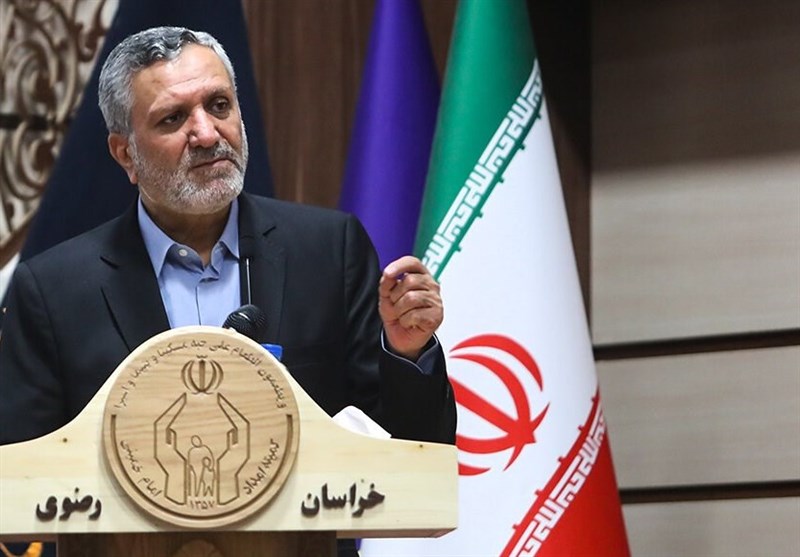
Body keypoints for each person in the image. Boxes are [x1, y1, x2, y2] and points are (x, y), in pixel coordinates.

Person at [0, 27, 455, 554]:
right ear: (125, 154)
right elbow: (17, 493)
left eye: (219, 106)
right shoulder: (54, 289)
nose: (206, 133)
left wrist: (407, 352)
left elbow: (412, 451)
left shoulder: (328, 251)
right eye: (173, 118)